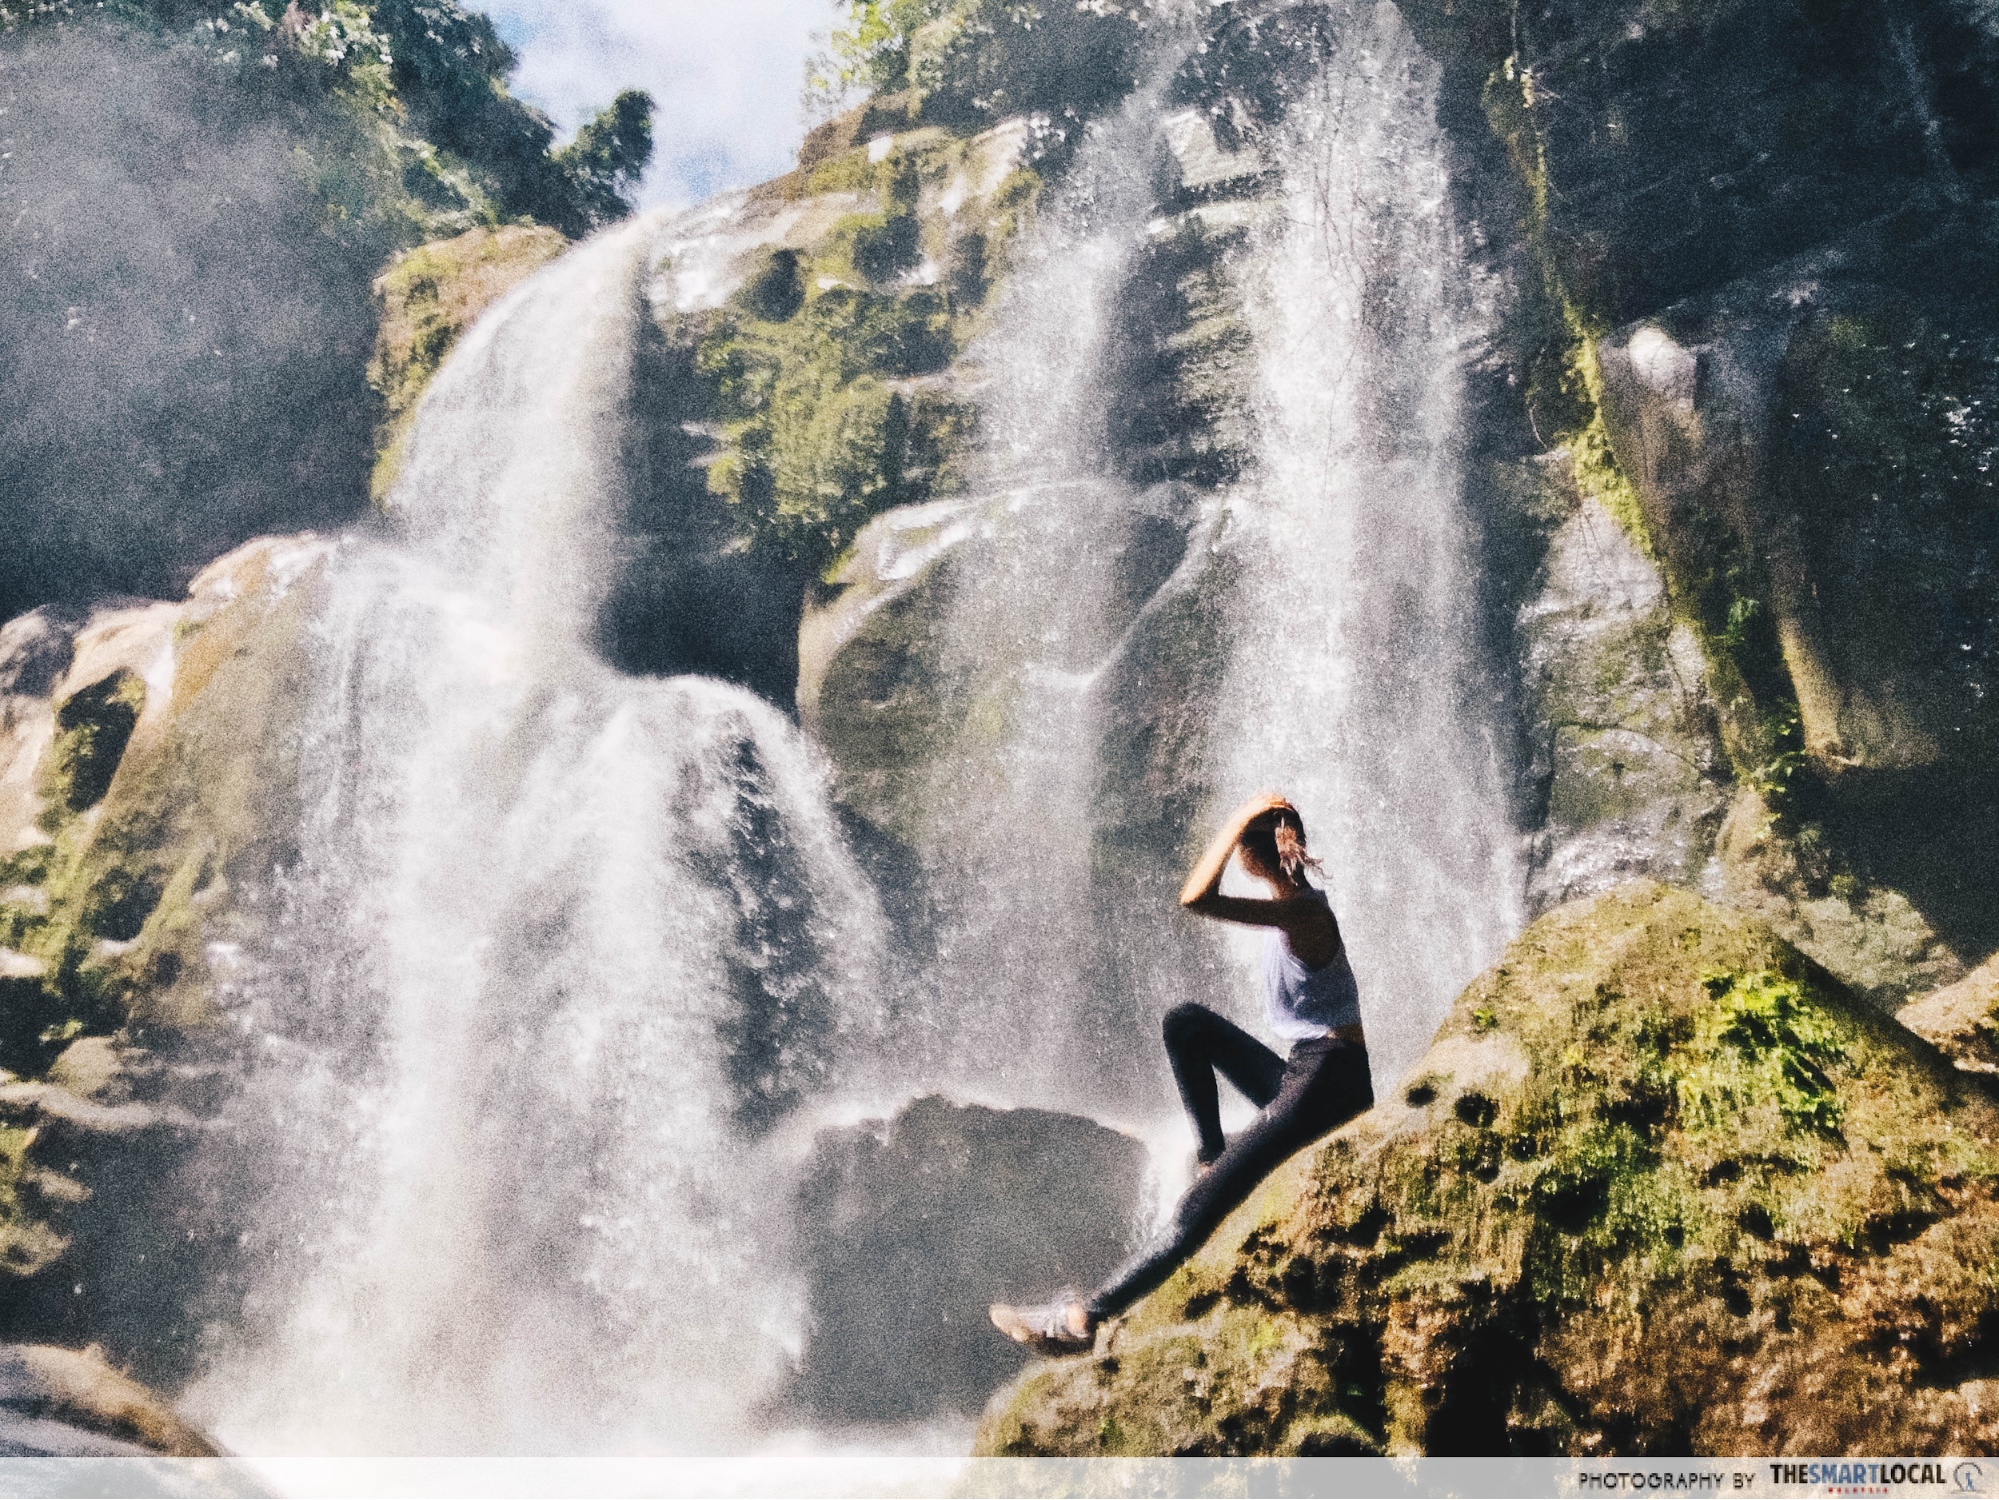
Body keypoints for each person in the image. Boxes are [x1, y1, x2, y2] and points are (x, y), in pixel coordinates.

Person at [988, 792, 1373, 1355]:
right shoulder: (1291, 905)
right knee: (1186, 1023)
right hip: (1306, 1070)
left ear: (1249, 854)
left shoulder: (1305, 912)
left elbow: (1195, 898)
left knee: (1197, 1210)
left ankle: (1081, 1321)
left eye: (1240, 843)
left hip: (1330, 1081)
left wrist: (1238, 820)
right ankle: (1212, 1155)